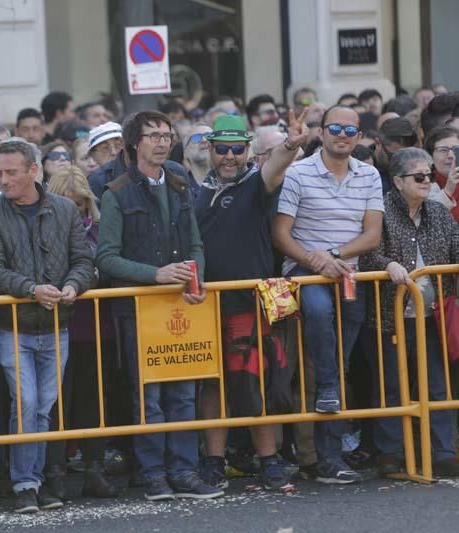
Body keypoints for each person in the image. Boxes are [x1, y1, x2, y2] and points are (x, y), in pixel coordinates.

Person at [95, 110, 222, 501]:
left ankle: (184, 471)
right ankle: (153, 473)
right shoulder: (115, 192)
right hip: (139, 308)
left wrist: (194, 280)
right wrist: (156, 274)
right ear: (135, 144)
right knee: (147, 396)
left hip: (180, 307)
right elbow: (106, 258)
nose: (163, 141)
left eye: (167, 135)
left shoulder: (182, 186)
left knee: (183, 394)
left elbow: (195, 245)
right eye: (153, 135)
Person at [0, 140, 95, 513]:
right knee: (25, 403)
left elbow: (83, 260)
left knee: (44, 405)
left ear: (33, 171)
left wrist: (74, 284)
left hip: (57, 324)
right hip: (13, 327)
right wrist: (31, 289)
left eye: (11, 173)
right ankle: (26, 482)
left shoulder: (64, 210)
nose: (3, 180)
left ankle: (37, 479)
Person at [194, 111, 310, 492]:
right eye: (222, 149)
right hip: (203, 303)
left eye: (237, 149)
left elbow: (275, 166)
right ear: (210, 150)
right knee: (212, 385)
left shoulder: (256, 183)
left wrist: (291, 144)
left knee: (260, 380)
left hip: (251, 301)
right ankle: (214, 461)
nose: (230, 156)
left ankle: (270, 460)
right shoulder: (194, 191)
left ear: (248, 152)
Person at [272, 105, 384, 484]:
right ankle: (326, 419)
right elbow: (281, 235)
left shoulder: (369, 175)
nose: (343, 135)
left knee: (340, 363)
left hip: (348, 272)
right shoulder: (298, 172)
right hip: (304, 272)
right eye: (335, 128)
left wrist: (334, 256)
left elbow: (372, 236)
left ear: (359, 136)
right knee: (320, 326)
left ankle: (330, 453)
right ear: (320, 132)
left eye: (351, 130)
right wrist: (316, 262)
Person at [359, 148, 459, 478]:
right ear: (398, 181)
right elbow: (365, 255)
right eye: (419, 177)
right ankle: (389, 454)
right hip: (388, 313)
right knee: (389, 386)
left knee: (436, 384)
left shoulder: (440, 213)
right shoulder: (379, 211)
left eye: (429, 175)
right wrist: (387, 264)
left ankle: (443, 453)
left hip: (433, 313)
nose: (427, 181)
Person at [44, 165, 119, 498]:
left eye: (80, 205)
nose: (75, 211)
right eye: (67, 203)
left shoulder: (102, 229)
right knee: (57, 401)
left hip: (94, 326)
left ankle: (94, 468)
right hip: (54, 325)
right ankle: (54, 472)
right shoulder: (41, 229)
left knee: (94, 400)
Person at [425, 126, 459, 222]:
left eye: (456, 150)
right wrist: (448, 190)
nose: (451, 156)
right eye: (443, 150)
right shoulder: (423, 182)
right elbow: (427, 220)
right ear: (430, 156)